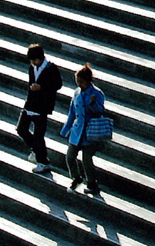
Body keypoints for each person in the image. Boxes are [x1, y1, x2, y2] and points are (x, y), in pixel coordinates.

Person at [60, 64, 107, 196]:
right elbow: (72, 112)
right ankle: (76, 178)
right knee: (70, 157)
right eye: (77, 81)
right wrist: (65, 129)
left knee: (87, 160)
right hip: (77, 131)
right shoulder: (76, 93)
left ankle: (92, 184)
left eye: (81, 81)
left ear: (88, 81)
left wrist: (93, 104)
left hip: (90, 133)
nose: (79, 84)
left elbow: (100, 111)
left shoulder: (97, 94)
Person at [17, 44, 63, 175]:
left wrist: (42, 87)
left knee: (38, 136)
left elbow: (58, 85)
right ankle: (36, 150)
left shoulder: (51, 68)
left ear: (40, 58)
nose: (33, 63)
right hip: (30, 104)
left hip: (42, 106)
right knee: (21, 129)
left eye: (34, 60)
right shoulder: (32, 68)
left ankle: (43, 162)